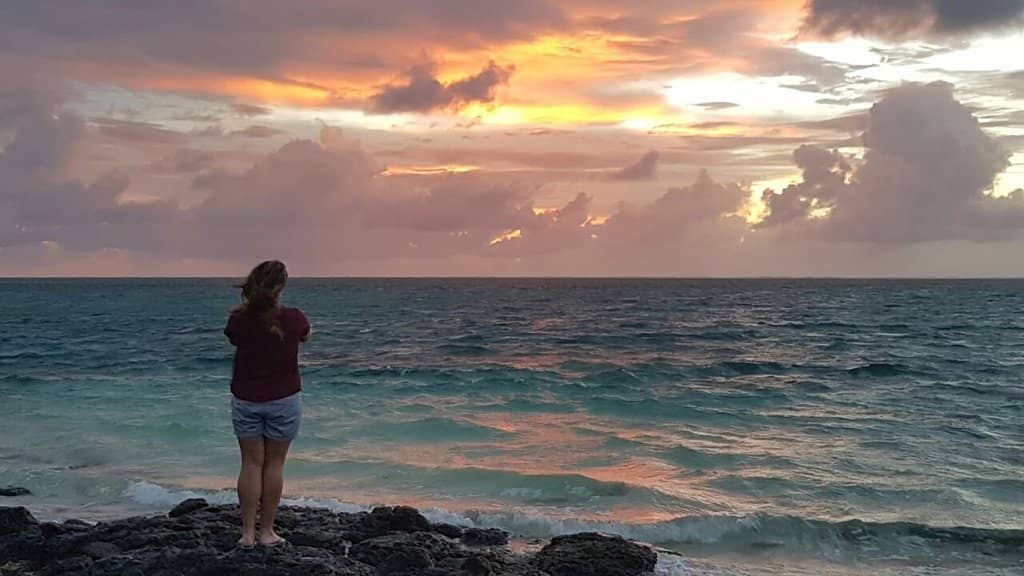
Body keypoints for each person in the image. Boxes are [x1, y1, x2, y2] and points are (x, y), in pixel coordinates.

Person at [224, 260, 311, 548]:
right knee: (274, 465)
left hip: (247, 398)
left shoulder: (238, 320)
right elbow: (306, 335)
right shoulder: (295, 318)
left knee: (250, 464)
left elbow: (234, 339)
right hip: (284, 400)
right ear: (281, 287)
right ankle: (267, 532)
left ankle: (247, 534)